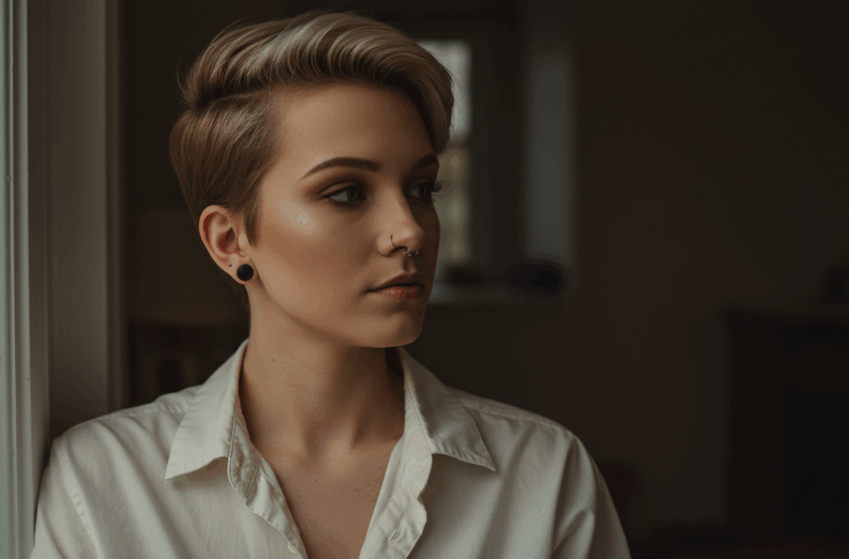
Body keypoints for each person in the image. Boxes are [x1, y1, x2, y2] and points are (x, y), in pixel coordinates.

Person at [31, 10, 631, 559]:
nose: (410, 231)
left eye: (422, 189)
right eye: (346, 192)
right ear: (229, 240)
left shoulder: (546, 473)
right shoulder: (105, 478)